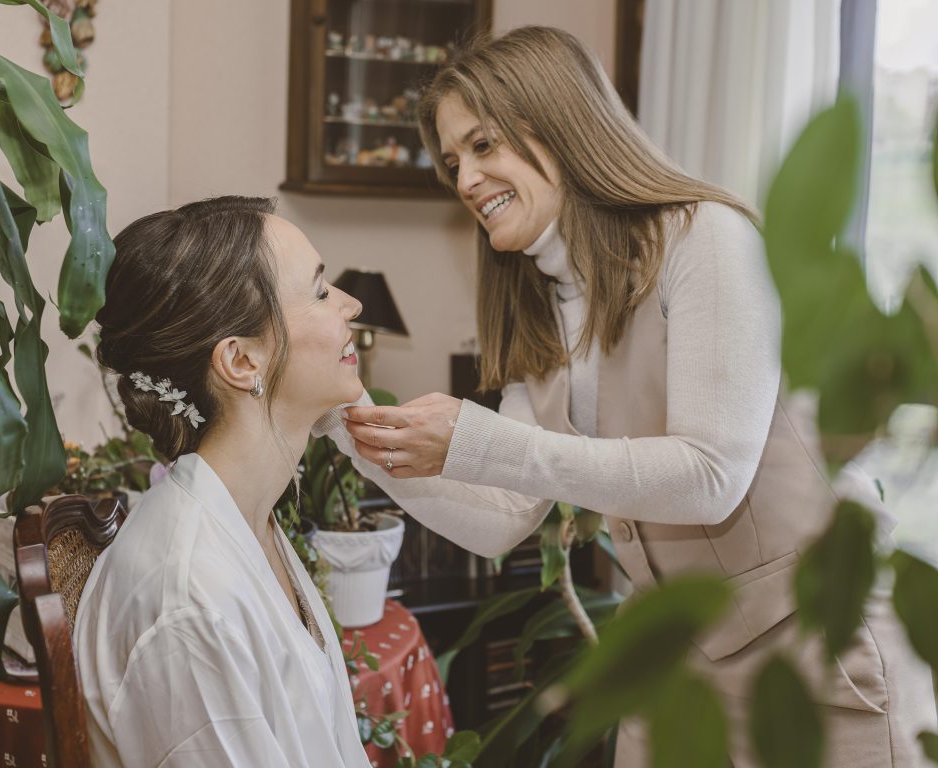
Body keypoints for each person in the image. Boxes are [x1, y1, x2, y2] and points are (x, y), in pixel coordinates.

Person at [319, 26, 937, 768]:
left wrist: (478, 440)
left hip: (814, 656)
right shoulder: (543, 302)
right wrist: (340, 423)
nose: (466, 179)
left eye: (483, 146)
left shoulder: (707, 238)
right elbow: (500, 517)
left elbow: (711, 476)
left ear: (559, 122)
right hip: (677, 659)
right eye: (453, 161)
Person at [74, 196, 371, 767]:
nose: (352, 305)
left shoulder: (247, 522)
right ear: (240, 361)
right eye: (320, 291)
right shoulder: (189, 601)